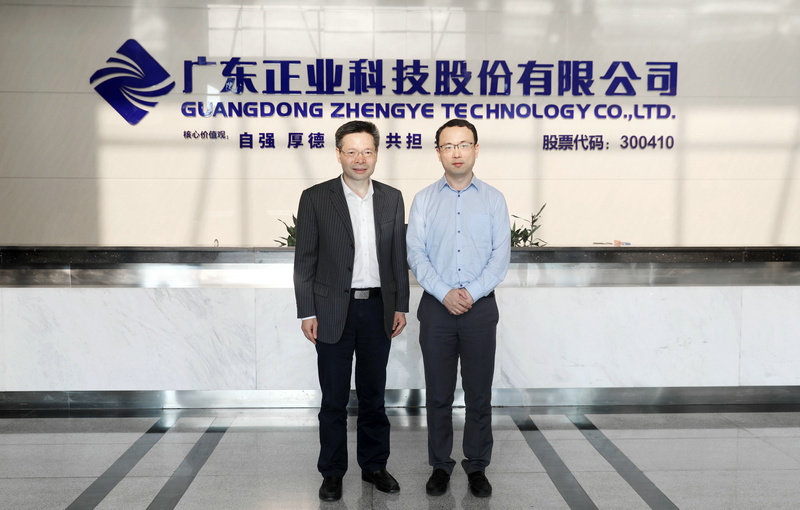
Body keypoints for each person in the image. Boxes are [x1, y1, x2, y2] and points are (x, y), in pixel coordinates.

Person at [293, 120, 409, 502]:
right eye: (352, 151)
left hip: (378, 309)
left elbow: (397, 257)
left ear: (376, 154)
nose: (360, 159)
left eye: (367, 151)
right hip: (331, 311)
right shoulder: (315, 197)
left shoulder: (392, 198)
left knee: (374, 396)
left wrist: (401, 305)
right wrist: (307, 312)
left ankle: (374, 466)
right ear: (339, 154)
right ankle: (332, 472)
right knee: (334, 399)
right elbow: (305, 260)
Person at [406, 119, 510, 499]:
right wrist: (445, 292)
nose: (457, 153)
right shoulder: (424, 200)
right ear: (438, 152)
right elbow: (416, 253)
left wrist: (470, 293)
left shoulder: (494, 199)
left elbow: (500, 257)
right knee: (438, 394)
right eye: (448, 146)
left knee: (479, 394)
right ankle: (440, 465)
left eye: (464, 145)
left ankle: (477, 466)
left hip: (480, 309)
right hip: (436, 309)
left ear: (476, 149)